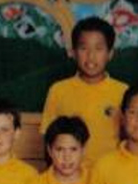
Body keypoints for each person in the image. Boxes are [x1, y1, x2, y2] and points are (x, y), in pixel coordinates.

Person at [40, 16, 127, 165]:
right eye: (83, 48)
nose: (91, 56)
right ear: (73, 52)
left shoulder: (123, 92)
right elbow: (48, 140)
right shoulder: (58, 90)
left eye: (99, 49)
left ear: (110, 53)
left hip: (108, 176)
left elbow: (128, 140)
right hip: (69, 176)